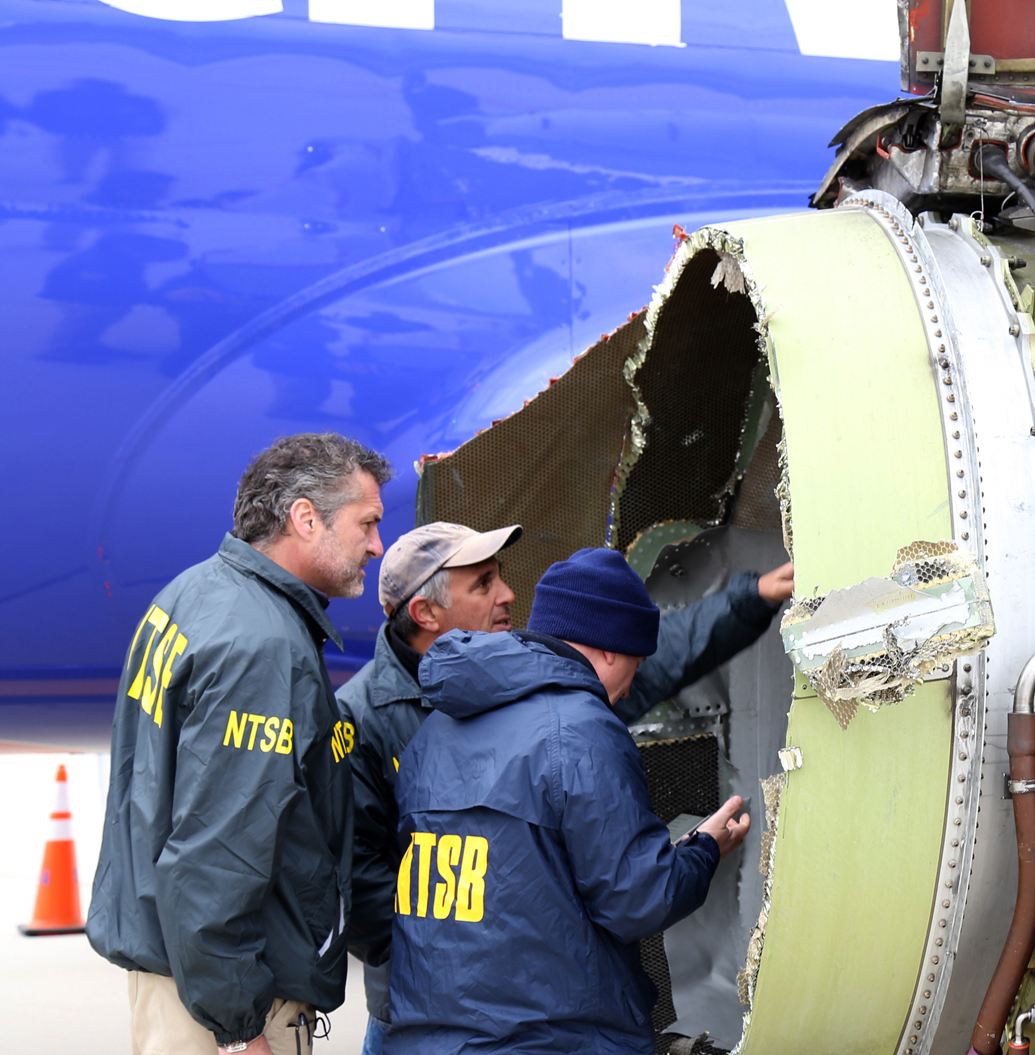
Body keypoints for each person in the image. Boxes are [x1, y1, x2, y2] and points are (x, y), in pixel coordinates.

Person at [339, 523, 792, 1053]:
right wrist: (701, 852)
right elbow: (634, 898)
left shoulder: (454, 713)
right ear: (425, 613)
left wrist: (744, 599)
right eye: (483, 584)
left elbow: (644, 657)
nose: (508, 593)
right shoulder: (369, 718)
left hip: (444, 1020)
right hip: (515, 1016)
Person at [88, 432, 391, 1055]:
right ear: (305, 519)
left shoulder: (195, 592)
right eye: (366, 523)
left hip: (180, 972)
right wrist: (240, 1028)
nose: (376, 546)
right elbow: (217, 854)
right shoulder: (263, 647)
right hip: (222, 996)